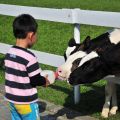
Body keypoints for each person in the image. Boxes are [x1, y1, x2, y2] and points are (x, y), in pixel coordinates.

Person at [4, 14, 54, 120]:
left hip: (12, 101)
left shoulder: (9, 53)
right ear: (31, 35)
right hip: (26, 103)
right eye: (36, 34)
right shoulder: (30, 57)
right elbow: (35, 79)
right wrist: (45, 81)